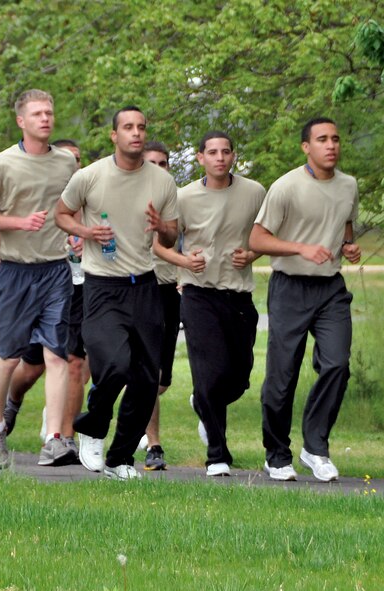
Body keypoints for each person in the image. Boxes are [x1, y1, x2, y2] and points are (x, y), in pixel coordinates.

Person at [56, 106, 178, 480]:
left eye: (141, 127)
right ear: (114, 135)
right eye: (128, 127)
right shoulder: (91, 176)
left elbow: (172, 235)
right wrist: (86, 232)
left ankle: (120, 459)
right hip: (101, 287)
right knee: (113, 365)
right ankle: (93, 425)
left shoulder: (161, 181)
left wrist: (161, 227)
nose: (136, 133)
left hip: (144, 286)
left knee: (145, 379)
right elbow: (61, 214)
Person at [249, 117, 361, 482]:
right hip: (289, 287)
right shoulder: (286, 187)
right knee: (282, 378)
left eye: (336, 138)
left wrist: (349, 246)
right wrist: (300, 248)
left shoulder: (348, 186)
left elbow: (345, 227)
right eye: (322, 139)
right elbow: (257, 240)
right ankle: (276, 454)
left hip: (330, 289)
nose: (331, 145)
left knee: (337, 365)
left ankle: (315, 447)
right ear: (306, 147)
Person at [154, 131, 265, 477]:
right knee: (209, 372)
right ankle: (217, 455)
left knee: (239, 377)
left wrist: (253, 253)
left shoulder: (254, 192)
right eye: (212, 152)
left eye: (226, 152)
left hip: (239, 294)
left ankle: (202, 402)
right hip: (198, 293)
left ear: (234, 156)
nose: (219, 157)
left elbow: (267, 234)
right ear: (200, 158)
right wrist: (184, 262)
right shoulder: (184, 197)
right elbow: (160, 246)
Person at [0, 89, 78, 468]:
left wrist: (76, 232)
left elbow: (69, 208)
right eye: (37, 114)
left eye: (49, 113)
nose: (46, 119)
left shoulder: (66, 163)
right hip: (16, 269)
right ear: (21, 121)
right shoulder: (1, 165)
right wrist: (18, 222)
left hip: (55, 268)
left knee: (57, 355)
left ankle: (54, 438)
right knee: (7, 356)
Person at [140, 140, 179, 471]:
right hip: (133, 287)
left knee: (161, 380)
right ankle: (154, 444)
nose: (157, 168)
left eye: (163, 163)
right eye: (150, 162)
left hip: (169, 289)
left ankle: (137, 414)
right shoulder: (124, 194)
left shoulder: (176, 199)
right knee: (148, 373)